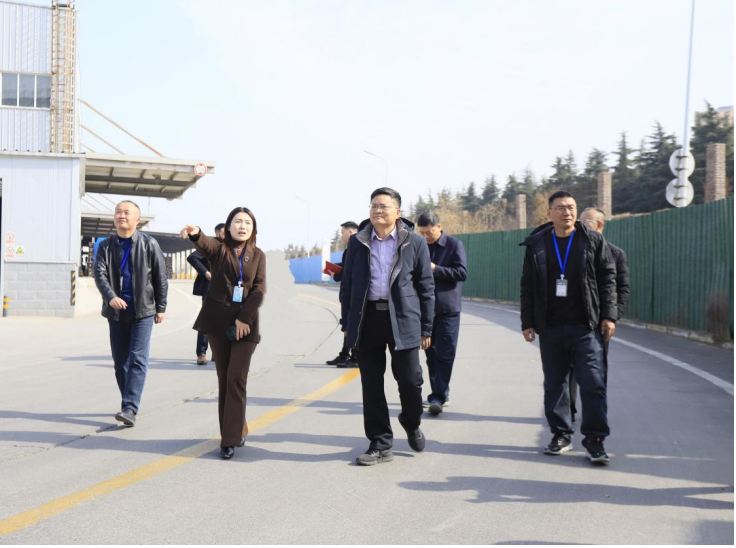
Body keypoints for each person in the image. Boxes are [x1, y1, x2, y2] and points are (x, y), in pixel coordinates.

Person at [520, 191, 617, 465]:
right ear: (549, 213)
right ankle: (561, 434)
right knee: (555, 384)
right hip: (550, 328)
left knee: (593, 384)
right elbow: (527, 285)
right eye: (561, 208)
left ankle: (595, 440)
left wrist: (609, 316)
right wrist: (527, 322)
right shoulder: (538, 244)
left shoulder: (592, 240)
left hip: (586, 327)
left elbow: (608, 279)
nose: (567, 212)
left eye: (572, 207)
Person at [341, 187, 435, 466]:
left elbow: (426, 287)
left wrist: (427, 328)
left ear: (398, 211)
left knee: (410, 381)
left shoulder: (414, 242)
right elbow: (348, 285)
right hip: (368, 319)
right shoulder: (357, 242)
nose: (378, 210)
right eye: (374, 205)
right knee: (371, 384)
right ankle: (380, 443)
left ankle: (411, 421)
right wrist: (348, 324)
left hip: (403, 319)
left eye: (383, 206)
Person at [180, 207, 266, 460]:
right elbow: (205, 245)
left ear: (253, 228)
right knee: (225, 380)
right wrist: (196, 233)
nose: (242, 226)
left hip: (246, 324)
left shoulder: (258, 255)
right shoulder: (219, 249)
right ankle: (235, 429)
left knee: (236, 378)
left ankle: (229, 440)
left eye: (247, 222)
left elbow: (259, 289)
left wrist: (244, 317)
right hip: (218, 322)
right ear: (228, 227)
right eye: (237, 221)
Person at [94, 200, 168, 427]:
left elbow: (160, 276)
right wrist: (110, 297)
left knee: (137, 358)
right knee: (120, 362)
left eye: (127, 212)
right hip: (116, 312)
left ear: (138, 220)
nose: (121, 215)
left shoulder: (149, 244)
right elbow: (99, 274)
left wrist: (161, 307)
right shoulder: (105, 246)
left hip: (142, 311)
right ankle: (129, 401)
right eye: (118, 212)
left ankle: (129, 407)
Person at [568, 207, 630, 420]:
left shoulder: (615, 253)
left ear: (600, 225)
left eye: (586, 221)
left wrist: (611, 317)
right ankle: (568, 410)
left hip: (600, 324)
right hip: (574, 319)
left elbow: (621, 289)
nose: (580, 225)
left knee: (596, 370)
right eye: (580, 221)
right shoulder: (571, 250)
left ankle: (595, 414)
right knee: (569, 367)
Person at [416, 212, 468, 416]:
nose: (426, 236)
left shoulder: (454, 245)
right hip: (426, 310)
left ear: (439, 226)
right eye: (422, 233)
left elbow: (461, 273)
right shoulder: (420, 246)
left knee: (445, 354)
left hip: (448, 309)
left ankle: (438, 396)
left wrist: (435, 269)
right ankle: (440, 394)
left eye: (429, 232)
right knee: (431, 354)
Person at [187, 223, 226, 365]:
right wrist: (205, 272)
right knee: (207, 320)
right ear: (218, 233)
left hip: (226, 290)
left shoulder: (231, 247)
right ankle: (202, 353)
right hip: (210, 288)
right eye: (225, 232)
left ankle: (217, 352)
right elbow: (192, 257)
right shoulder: (211, 245)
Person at [326, 221, 359, 368]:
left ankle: (355, 357)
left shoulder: (357, 248)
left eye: (342, 233)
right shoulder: (350, 249)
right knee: (346, 324)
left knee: (351, 325)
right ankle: (345, 354)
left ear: (350, 232)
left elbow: (350, 272)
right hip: (347, 294)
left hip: (353, 295)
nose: (341, 236)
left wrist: (336, 275)